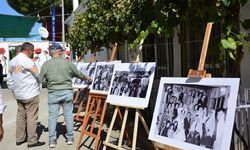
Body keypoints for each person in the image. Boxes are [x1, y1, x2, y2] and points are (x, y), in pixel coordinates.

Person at [39, 43, 91, 148]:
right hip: (67, 92)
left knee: (52, 117)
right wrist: (87, 78)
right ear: (59, 52)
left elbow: (41, 80)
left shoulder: (46, 64)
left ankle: (52, 141)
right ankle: (70, 138)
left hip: (53, 92)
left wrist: (48, 84)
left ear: (52, 52)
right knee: (68, 116)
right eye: (62, 51)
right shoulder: (68, 63)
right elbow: (78, 74)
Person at [6, 42, 45, 148]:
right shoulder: (27, 61)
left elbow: (13, 76)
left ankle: (20, 138)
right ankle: (32, 140)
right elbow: (38, 74)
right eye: (32, 51)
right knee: (32, 117)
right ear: (27, 50)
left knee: (21, 116)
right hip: (30, 93)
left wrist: (13, 90)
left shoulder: (13, 61)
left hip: (19, 93)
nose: (33, 53)